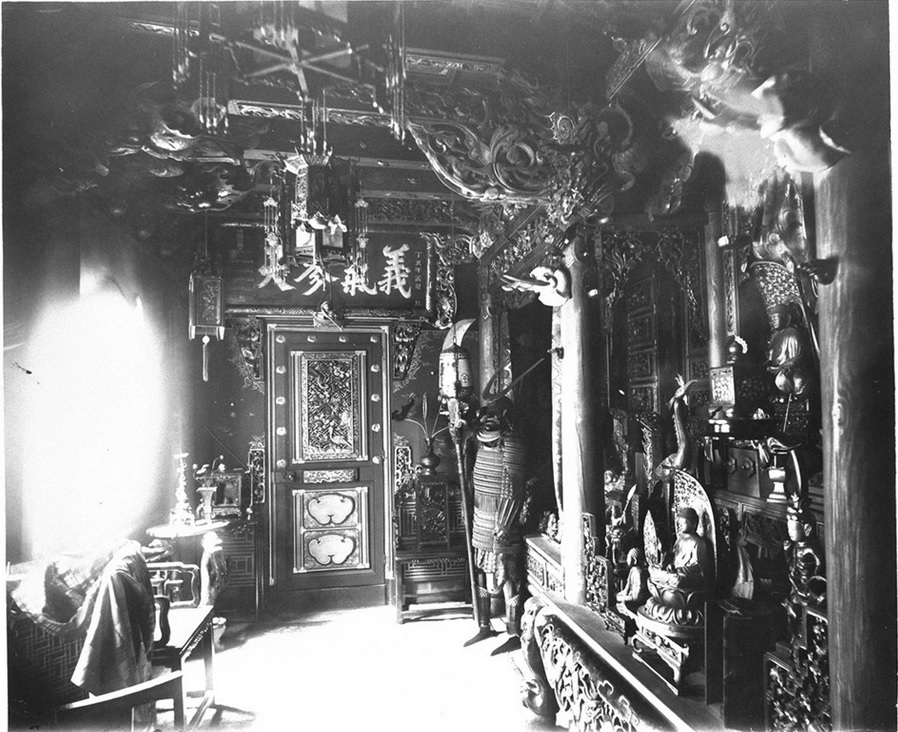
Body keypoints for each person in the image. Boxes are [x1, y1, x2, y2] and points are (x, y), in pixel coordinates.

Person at [648, 506, 714, 593]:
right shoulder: (681, 538)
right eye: (679, 523)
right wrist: (664, 553)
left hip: (685, 577)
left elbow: (699, 569)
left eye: (683, 523)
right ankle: (667, 583)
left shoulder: (699, 542)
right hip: (673, 573)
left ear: (693, 523)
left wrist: (678, 569)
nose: (680, 525)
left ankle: (666, 586)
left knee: (677, 579)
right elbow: (673, 558)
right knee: (652, 568)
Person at [766, 302, 812, 399]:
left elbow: (798, 357)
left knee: (787, 379)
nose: (773, 322)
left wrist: (783, 367)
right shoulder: (775, 335)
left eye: (775, 318)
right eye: (771, 319)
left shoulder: (792, 334)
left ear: (785, 318)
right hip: (775, 369)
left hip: (789, 371)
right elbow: (771, 356)